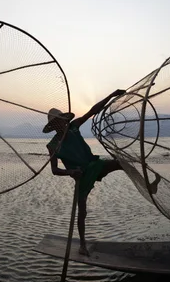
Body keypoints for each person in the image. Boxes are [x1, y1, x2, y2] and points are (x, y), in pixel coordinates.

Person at [44, 89, 161, 256]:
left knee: (122, 163)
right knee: (82, 211)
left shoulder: (74, 127)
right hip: (81, 176)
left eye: (61, 120)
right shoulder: (53, 145)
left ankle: (149, 187)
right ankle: (83, 245)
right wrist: (70, 172)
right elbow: (55, 170)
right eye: (56, 123)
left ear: (64, 121)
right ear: (53, 126)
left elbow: (93, 110)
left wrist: (111, 95)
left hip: (94, 165)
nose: (60, 124)